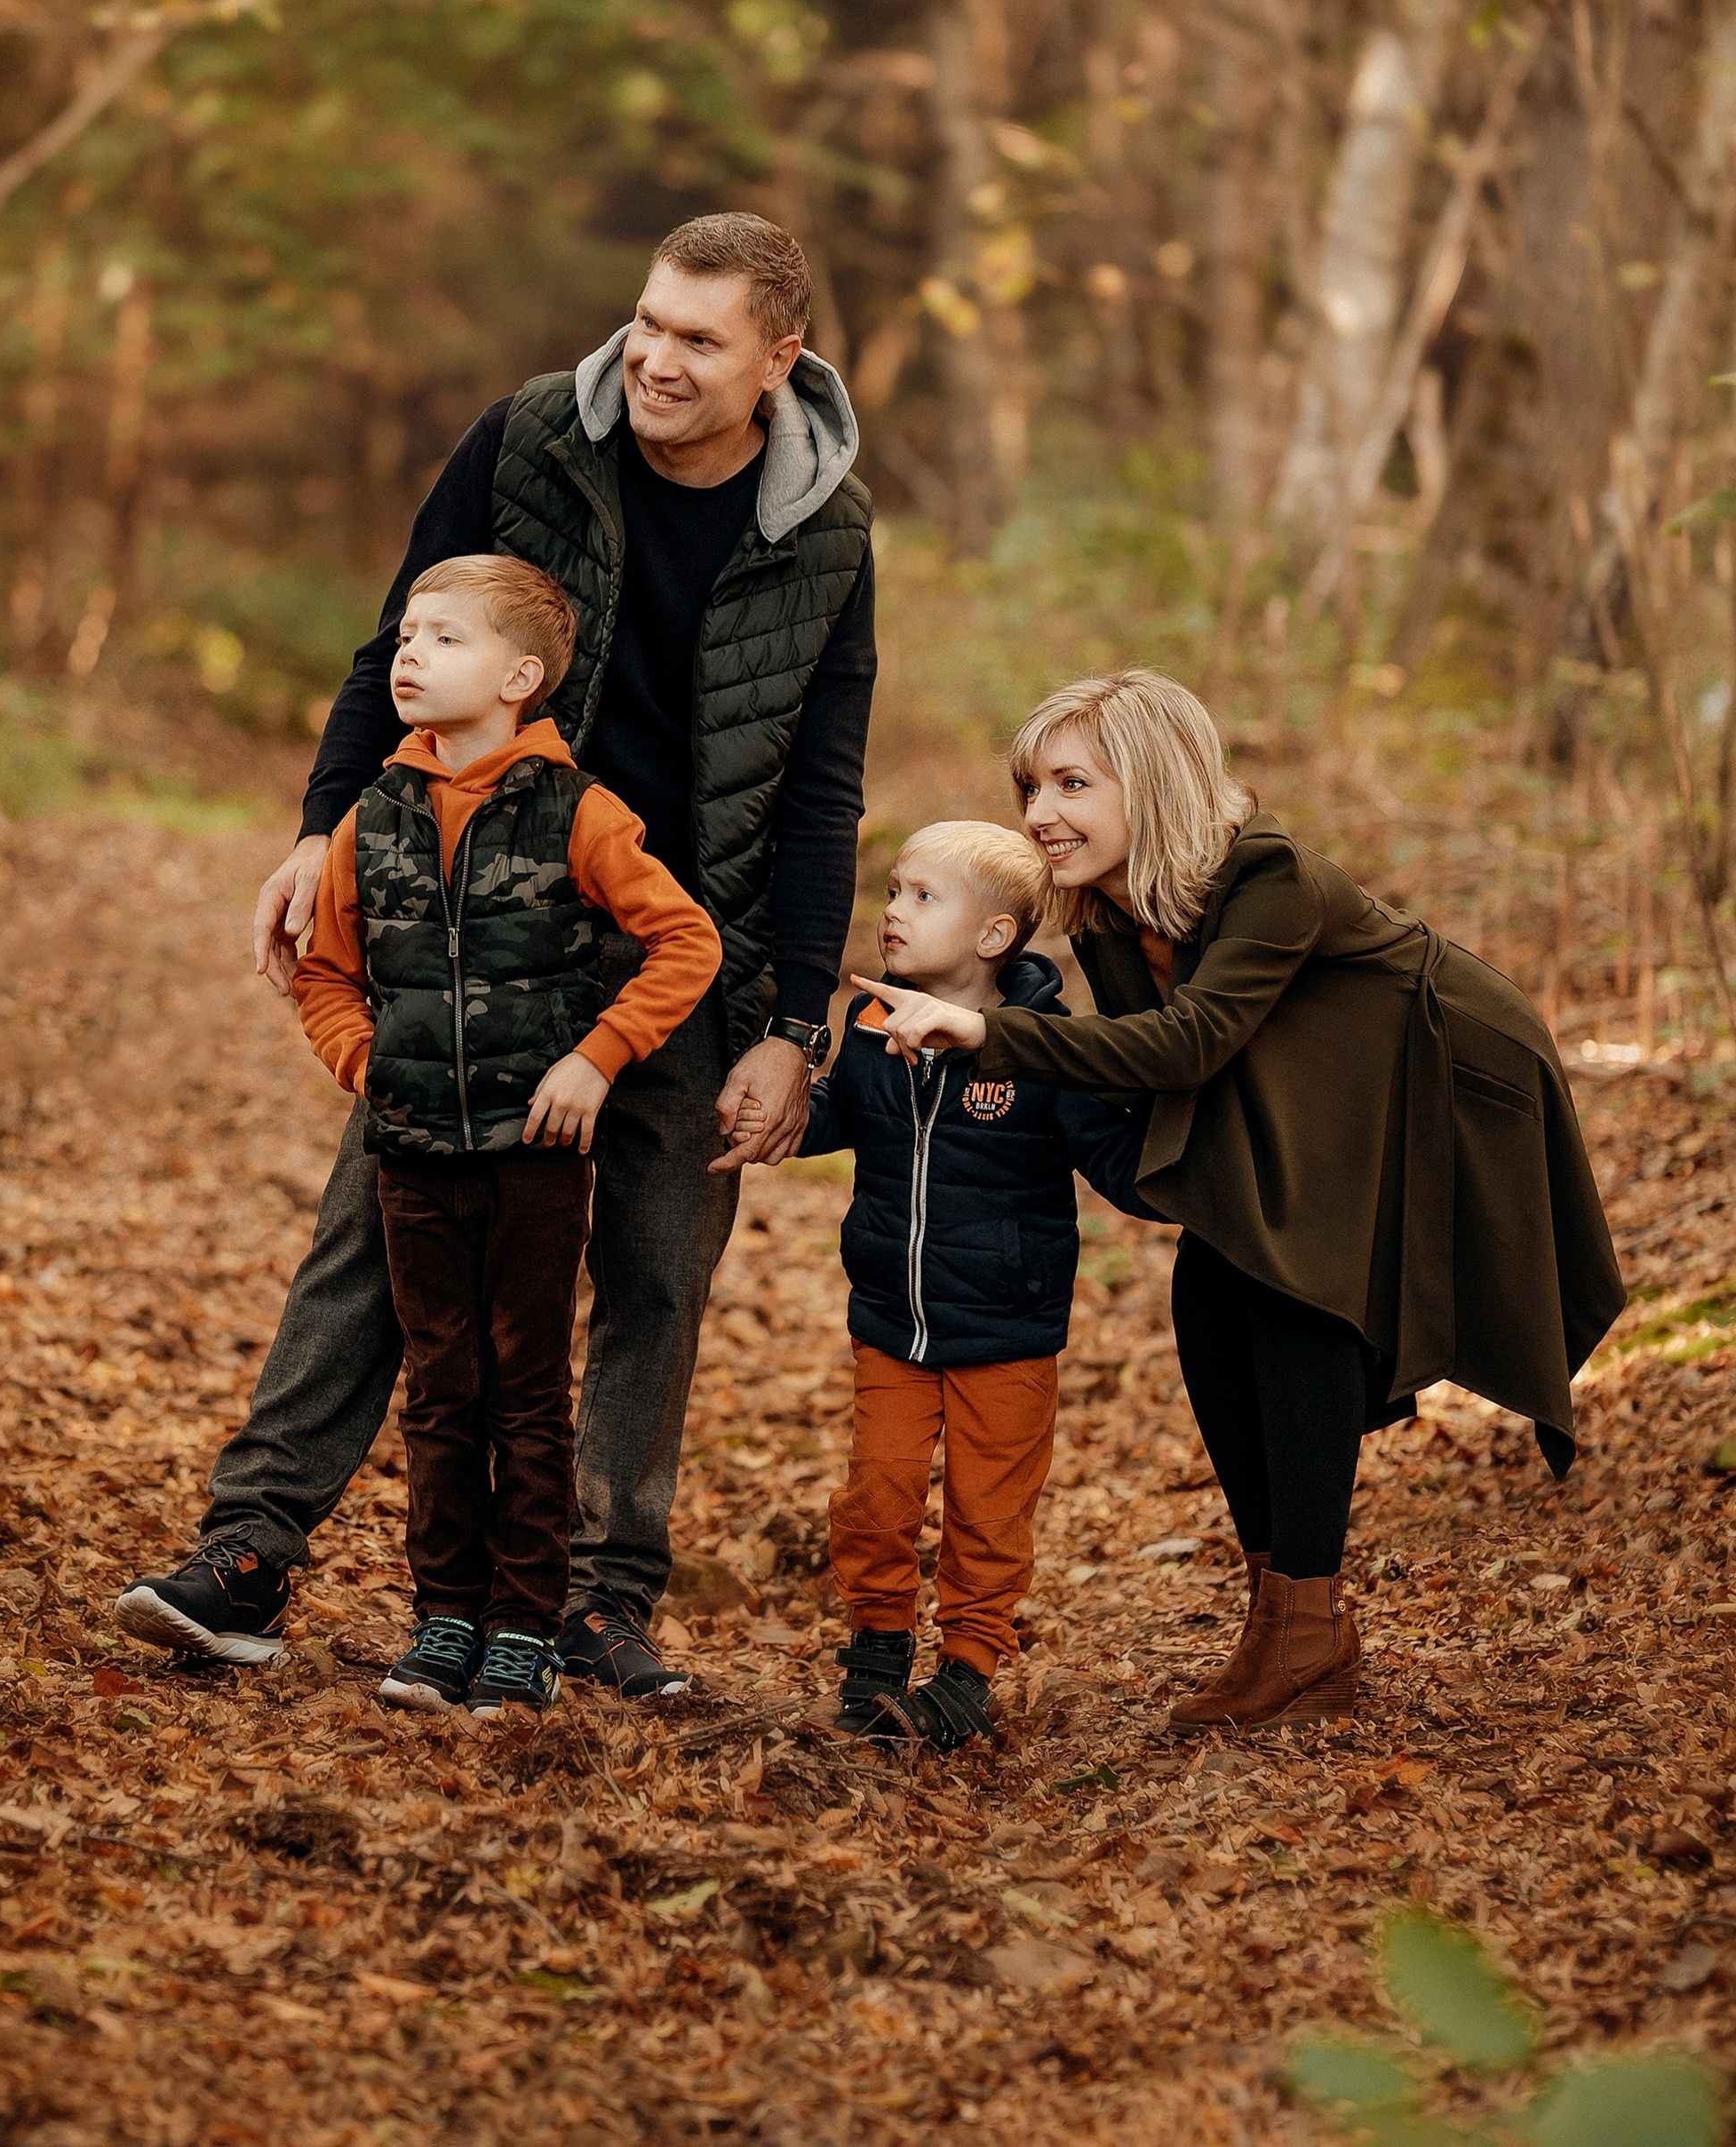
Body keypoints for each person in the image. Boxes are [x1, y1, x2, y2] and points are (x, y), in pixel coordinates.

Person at [115, 212, 876, 1698]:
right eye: (648, 320)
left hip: (679, 939)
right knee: (381, 1239)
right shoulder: (529, 438)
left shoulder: (830, 533)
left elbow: (822, 784)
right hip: (471, 916)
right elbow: (389, 644)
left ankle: (593, 1602)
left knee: (657, 1267)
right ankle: (251, 1553)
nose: (653, 357)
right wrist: (326, 831)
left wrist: (794, 1018)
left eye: (698, 339)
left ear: (777, 362)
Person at [854, 669, 1625, 1733]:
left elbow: (1190, 1042)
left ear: (1152, 779)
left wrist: (988, 1034)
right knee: (1209, 1294)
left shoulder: (1268, 876)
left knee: (1291, 1289)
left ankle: (1307, 1628)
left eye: (1072, 782)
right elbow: (1151, 1078)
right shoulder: (1109, 915)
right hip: (1307, 1093)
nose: (1039, 813)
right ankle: (1287, 1619)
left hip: (1437, 1071)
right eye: (1031, 785)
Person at [283, 554, 717, 1715]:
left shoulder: (580, 813)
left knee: (524, 1389)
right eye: (405, 639)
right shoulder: (370, 817)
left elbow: (685, 945)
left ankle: (524, 1628)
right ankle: (443, 1623)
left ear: (520, 677)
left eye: (442, 640)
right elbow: (324, 973)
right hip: (413, 1153)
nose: (409, 657)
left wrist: (595, 1058)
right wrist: (371, 1067)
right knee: (439, 1389)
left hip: (535, 1153)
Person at [800, 822, 1150, 1753]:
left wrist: (1196, 1168)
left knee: (987, 1512)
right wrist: (780, 1114)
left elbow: (1115, 1160)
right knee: (875, 1493)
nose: (893, 912)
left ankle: (967, 1671)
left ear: (994, 936)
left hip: (1009, 1327)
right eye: (894, 892)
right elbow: (838, 1112)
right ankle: (876, 1648)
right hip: (892, 1320)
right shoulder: (871, 1024)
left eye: (923, 896)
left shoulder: (1043, 1048)